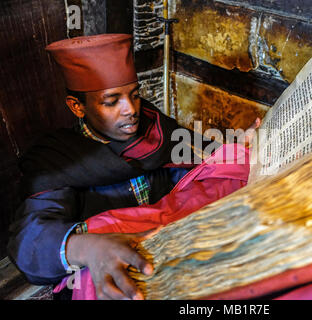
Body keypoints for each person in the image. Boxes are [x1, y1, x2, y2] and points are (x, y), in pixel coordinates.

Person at [7, 34, 229, 300]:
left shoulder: (154, 131)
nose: (130, 110)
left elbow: (193, 173)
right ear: (77, 106)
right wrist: (86, 248)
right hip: (112, 276)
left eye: (134, 96)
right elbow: (28, 240)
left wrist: (235, 154)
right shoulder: (59, 159)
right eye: (111, 101)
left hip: (171, 254)